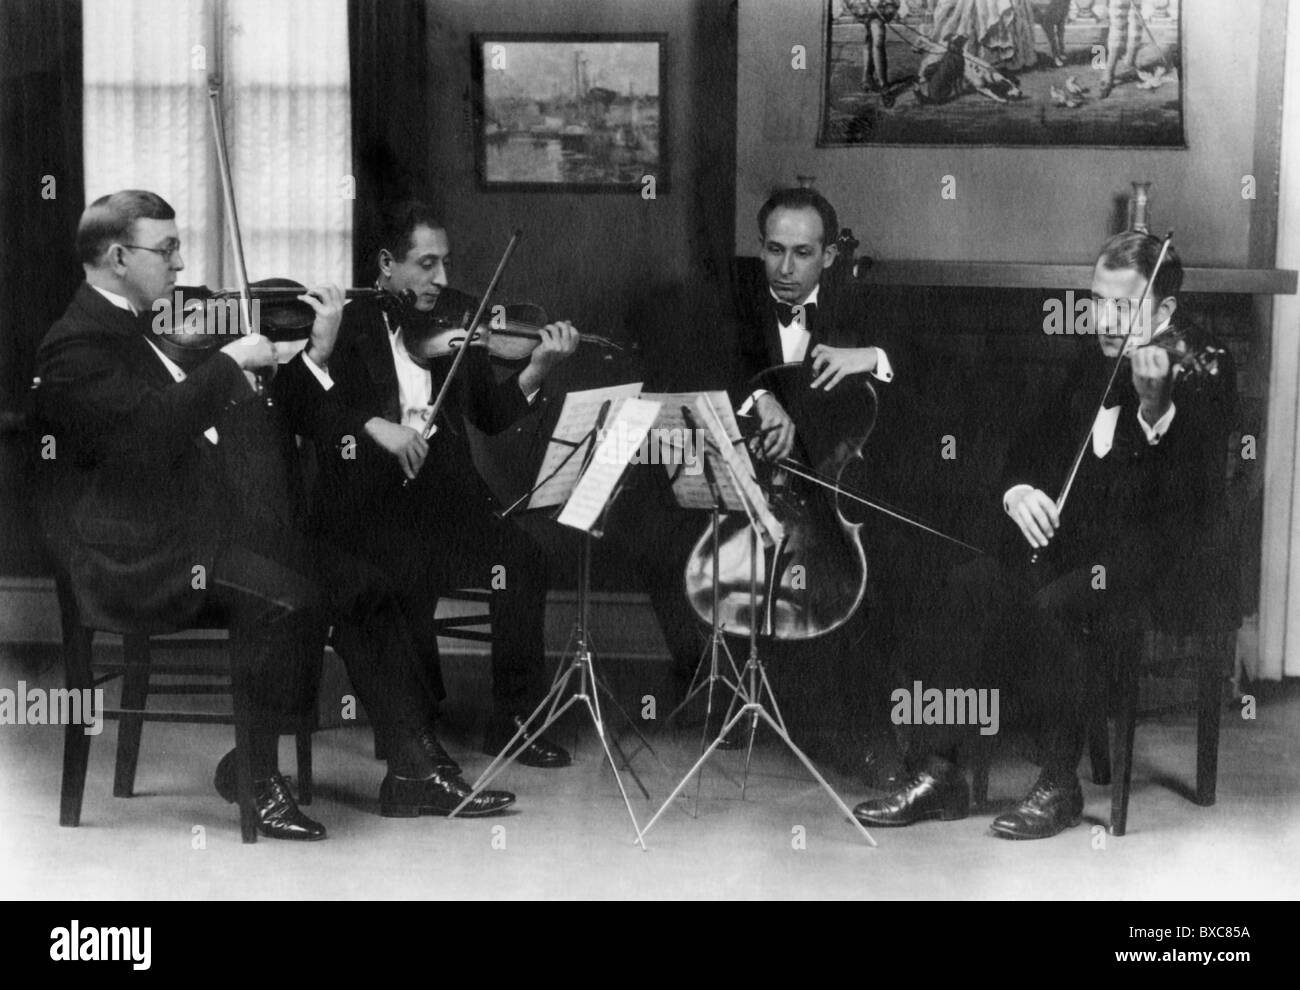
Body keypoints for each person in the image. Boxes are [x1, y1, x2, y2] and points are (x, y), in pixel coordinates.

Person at [34, 190, 514, 841]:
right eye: (167, 249)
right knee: (291, 597)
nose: (181, 265)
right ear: (118, 257)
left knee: (362, 582)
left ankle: (412, 768)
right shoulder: (76, 346)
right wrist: (229, 363)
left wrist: (313, 354)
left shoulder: (171, 324)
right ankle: (256, 774)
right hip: (140, 557)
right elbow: (144, 438)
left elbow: (295, 405)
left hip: (208, 536)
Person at [852, 231, 1235, 839]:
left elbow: (1188, 495)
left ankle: (1060, 782)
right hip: (1083, 545)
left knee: (1060, 605)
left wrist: (1155, 408)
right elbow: (1029, 447)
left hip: (1164, 555)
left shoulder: (1199, 371)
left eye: (1124, 305)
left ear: (1163, 312)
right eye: (1096, 302)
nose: (1106, 320)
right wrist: (1020, 492)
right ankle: (939, 771)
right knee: (965, 585)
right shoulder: (1090, 359)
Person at [277, 201, 579, 768]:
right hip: (365, 506)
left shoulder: (452, 326)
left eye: (445, 264)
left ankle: (514, 718)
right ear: (387, 264)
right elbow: (307, 409)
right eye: (426, 264)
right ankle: (413, 721)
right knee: (404, 565)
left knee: (522, 557)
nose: (442, 280)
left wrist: (537, 369)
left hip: (447, 500)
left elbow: (490, 413)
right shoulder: (343, 324)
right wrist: (373, 426)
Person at [722, 187, 917, 778]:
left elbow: (926, 364)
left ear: (830, 256)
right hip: (757, 485)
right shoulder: (733, 294)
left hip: (833, 492)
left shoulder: (863, 303)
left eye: (802, 253)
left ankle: (858, 729)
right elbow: (700, 353)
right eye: (774, 250)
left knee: (873, 570)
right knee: (657, 533)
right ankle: (736, 697)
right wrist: (760, 401)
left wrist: (872, 357)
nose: (785, 269)